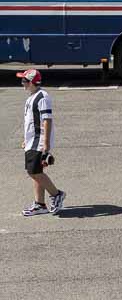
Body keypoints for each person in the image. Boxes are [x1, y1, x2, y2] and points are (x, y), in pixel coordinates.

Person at [18, 69, 66, 216]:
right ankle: (40, 204)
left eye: (24, 81)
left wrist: (45, 144)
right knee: (36, 171)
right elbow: (30, 121)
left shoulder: (42, 97)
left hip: (39, 141)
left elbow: (47, 120)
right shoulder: (31, 97)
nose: (22, 83)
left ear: (32, 82)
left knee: (33, 172)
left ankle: (56, 194)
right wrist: (26, 139)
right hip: (32, 141)